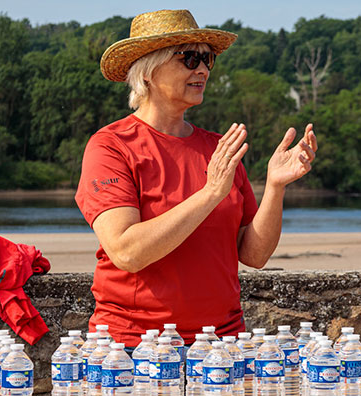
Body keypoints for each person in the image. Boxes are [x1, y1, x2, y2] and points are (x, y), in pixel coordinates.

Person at [75, 9, 318, 347]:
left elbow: (254, 254)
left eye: (207, 59)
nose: (203, 69)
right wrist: (210, 193)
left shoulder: (217, 148)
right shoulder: (112, 146)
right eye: (189, 59)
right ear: (148, 71)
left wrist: (275, 186)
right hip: (134, 348)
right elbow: (127, 252)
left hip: (221, 345)